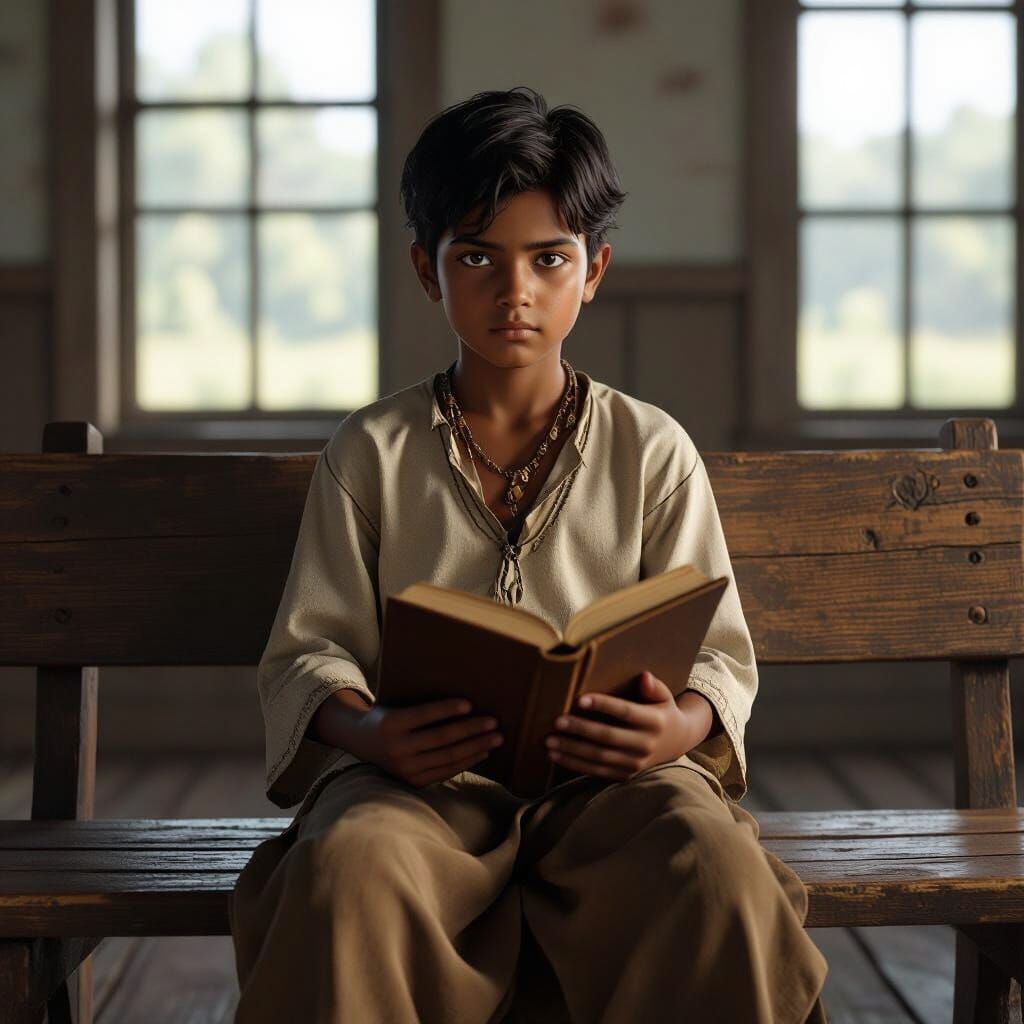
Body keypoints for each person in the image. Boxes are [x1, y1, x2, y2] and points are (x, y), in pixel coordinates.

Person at [230, 85, 829, 1023]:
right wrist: (369, 732)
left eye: (549, 259)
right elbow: (312, 652)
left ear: (594, 269)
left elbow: (717, 653)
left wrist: (676, 729)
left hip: (615, 789)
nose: (516, 292)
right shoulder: (370, 451)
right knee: (348, 870)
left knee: (715, 872)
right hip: (417, 789)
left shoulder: (652, 448)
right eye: (478, 257)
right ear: (428, 271)